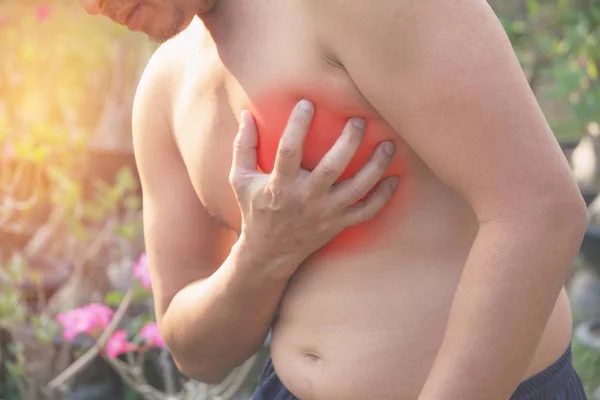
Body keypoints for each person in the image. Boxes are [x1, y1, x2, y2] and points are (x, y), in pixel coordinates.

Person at [78, 0, 589, 398]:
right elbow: (196, 353)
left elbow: (540, 213)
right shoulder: (164, 88)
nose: (88, 8)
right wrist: (262, 254)